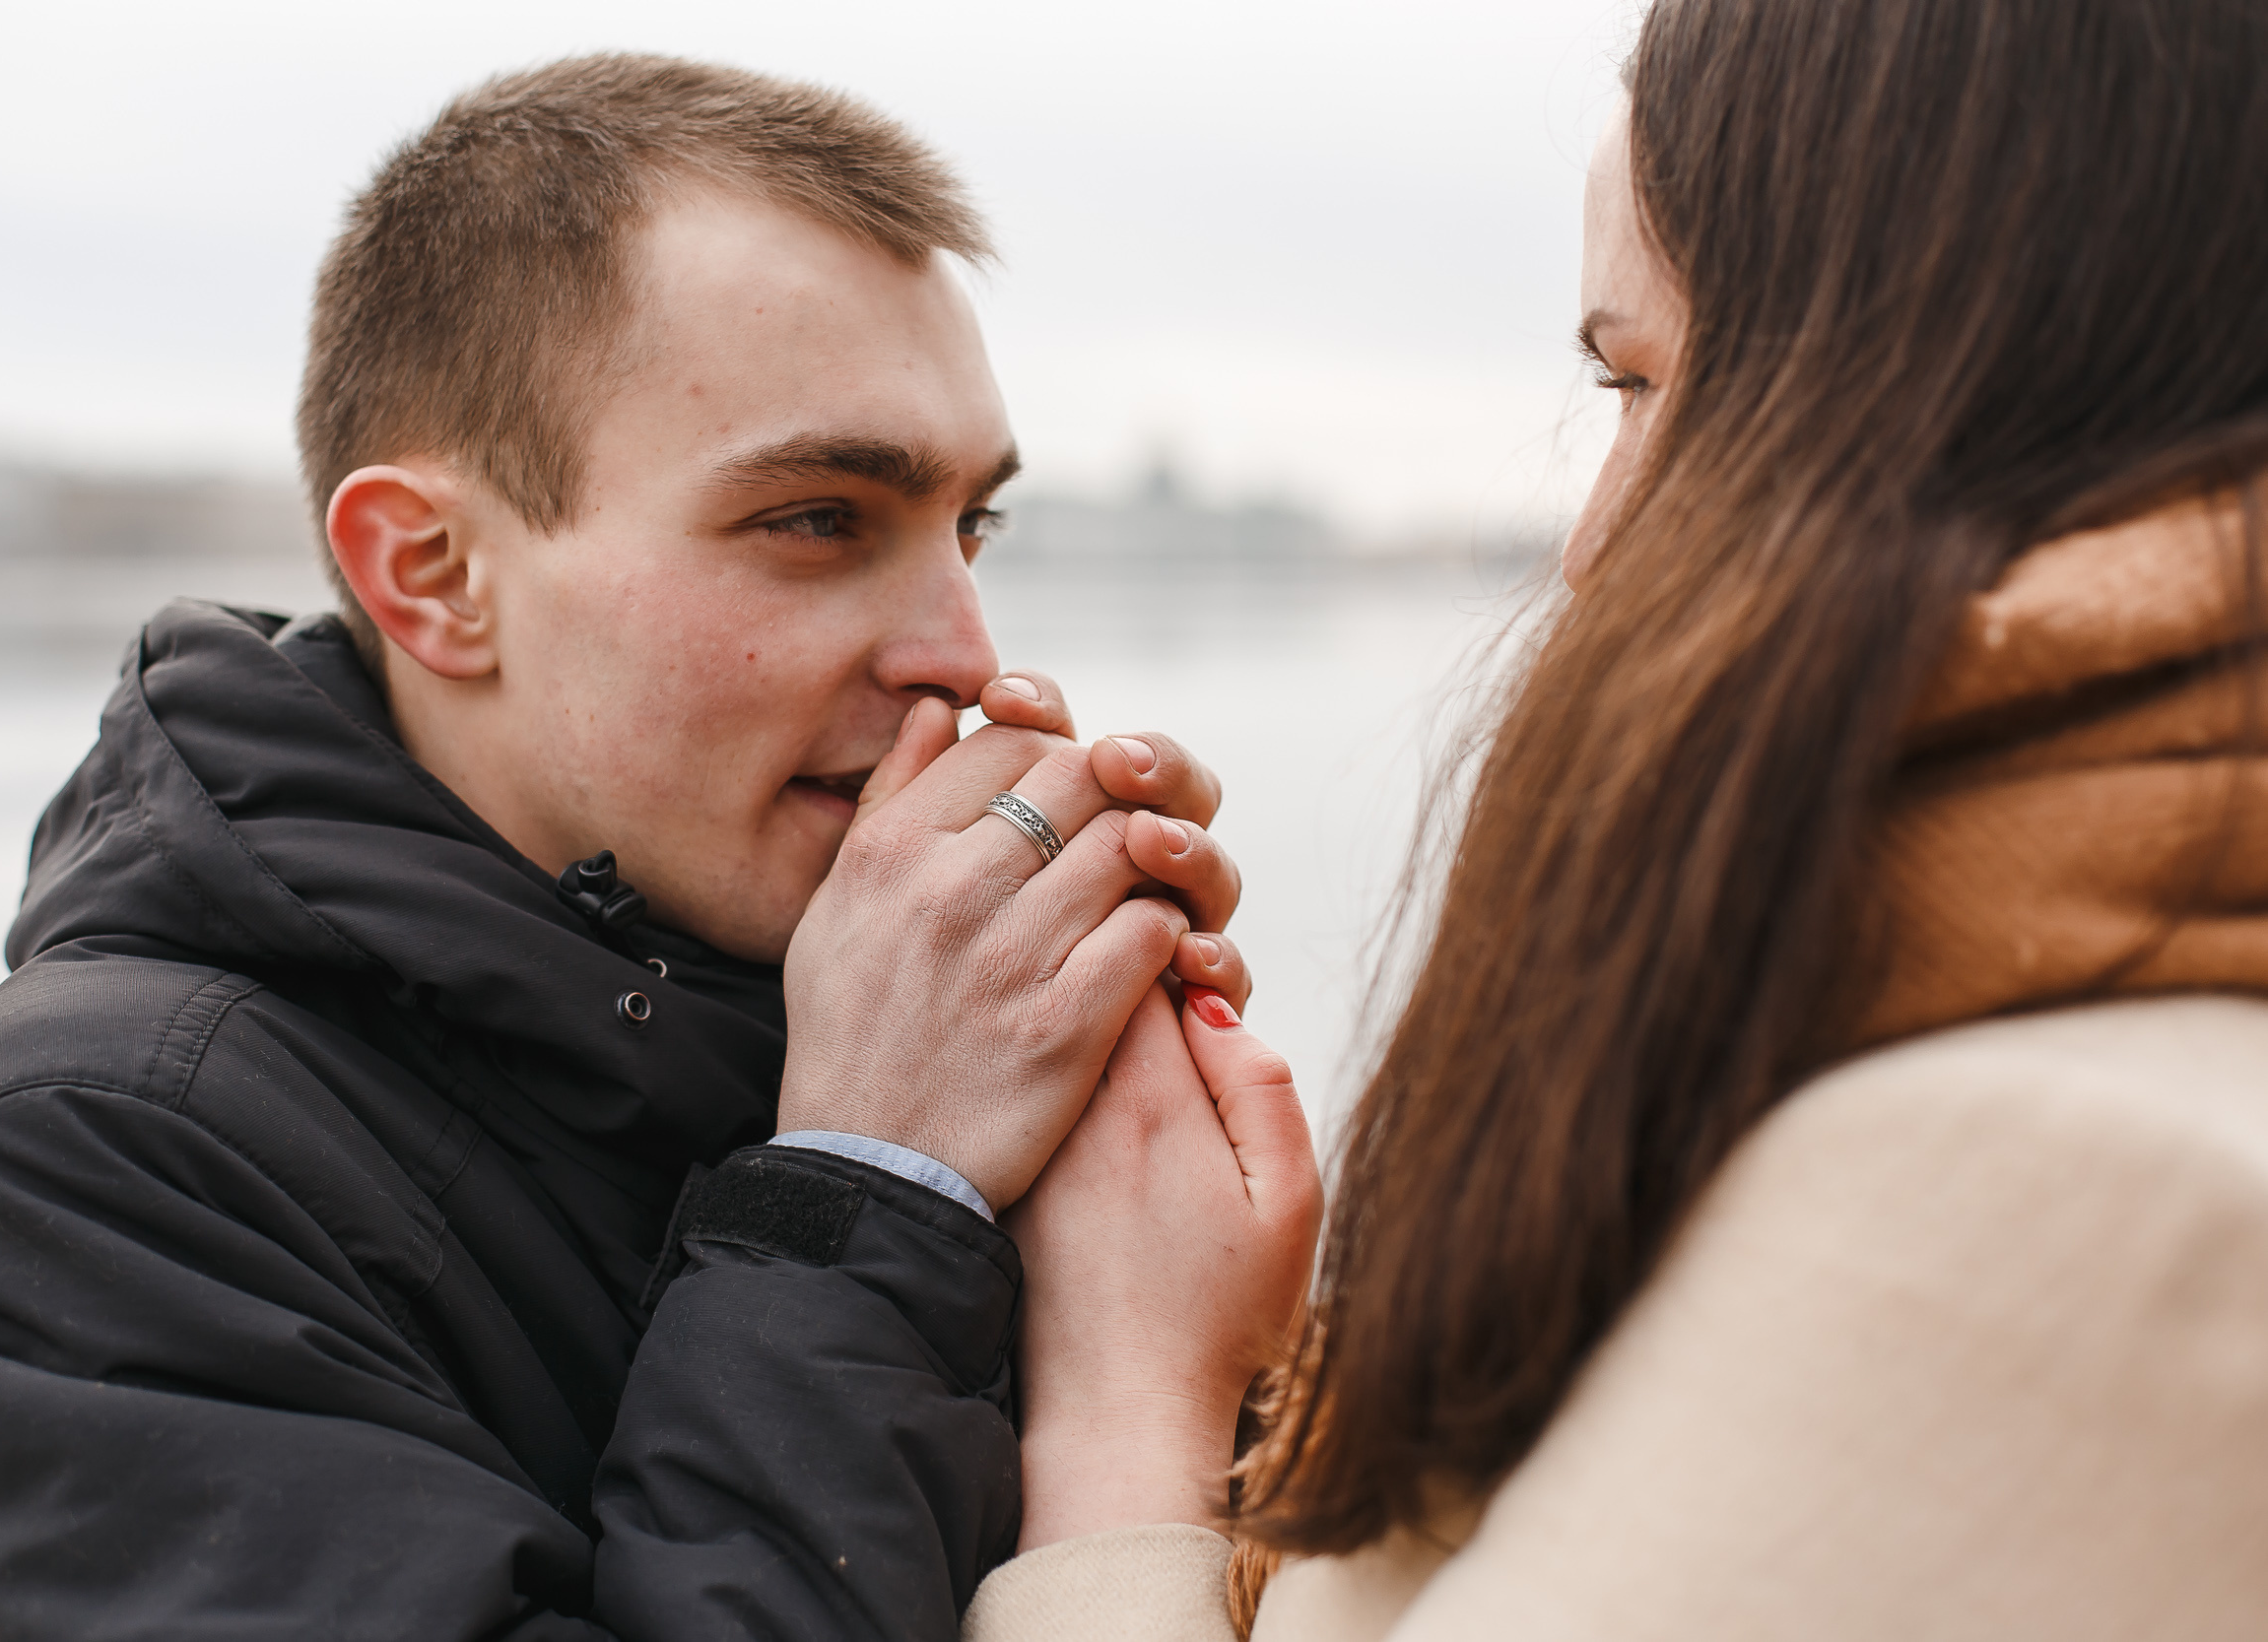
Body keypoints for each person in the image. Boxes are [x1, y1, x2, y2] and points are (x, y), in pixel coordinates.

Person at [0, 55, 1259, 1641]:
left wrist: (1170, 1289)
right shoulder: (94, 1166)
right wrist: (869, 1194)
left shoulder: (880, 1021)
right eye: (818, 520)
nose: (965, 651)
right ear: (435, 573)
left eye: (970, 527)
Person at [964, 0, 2268, 1636]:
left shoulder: (2054, 1196)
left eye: (1639, 379)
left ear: (1954, 382)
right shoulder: (1948, 1048)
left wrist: (1130, 1399)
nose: (1589, 547)